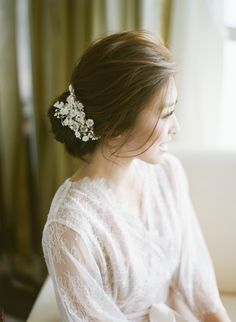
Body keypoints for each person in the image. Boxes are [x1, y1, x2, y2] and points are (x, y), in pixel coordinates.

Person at [42, 30, 231, 322]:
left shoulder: (168, 173)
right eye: (166, 114)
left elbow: (197, 283)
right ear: (117, 124)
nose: (176, 127)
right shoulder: (70, 228)